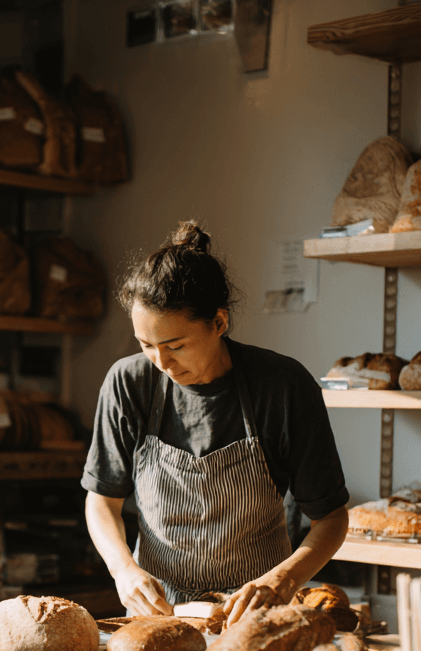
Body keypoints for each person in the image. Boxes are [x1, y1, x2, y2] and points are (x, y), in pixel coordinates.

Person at [83, 222, 349, 624]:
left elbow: (331, 518)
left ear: (219, 323)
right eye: (146, 345)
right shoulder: (129, 383)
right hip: (157, 616)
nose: (162, 363)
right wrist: (123, 571)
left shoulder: (281, 386)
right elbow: (102, 499)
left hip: (254, 614)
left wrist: (283, 581)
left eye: (176, 346)